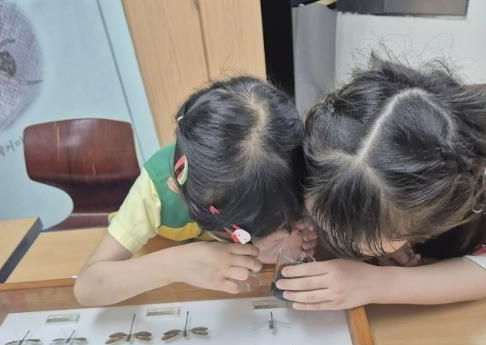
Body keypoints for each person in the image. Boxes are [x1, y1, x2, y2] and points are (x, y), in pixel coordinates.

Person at [276, 58, 486, 310]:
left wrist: (376, 284)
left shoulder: (479, 185)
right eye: (323, 219)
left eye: (363, 238)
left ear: (429, 223)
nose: (334, 236)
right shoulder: (331, 141)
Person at [74, 76, 316, 306]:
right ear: (179, 191)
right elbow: (87, 288)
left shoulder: (294, 173)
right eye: (242, 235)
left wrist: (270, 245)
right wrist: (173, 265)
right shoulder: (156, 189)